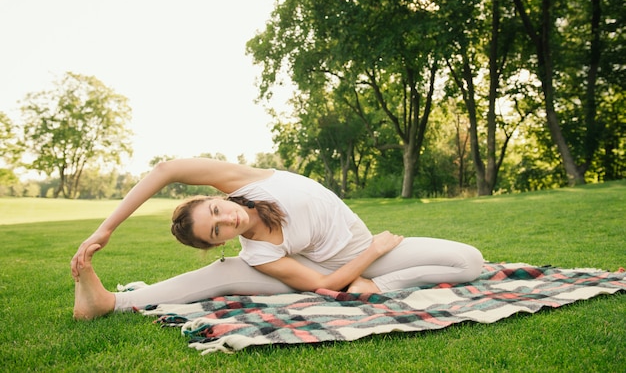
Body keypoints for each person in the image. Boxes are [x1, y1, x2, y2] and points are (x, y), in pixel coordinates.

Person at [72, 158, 483, 320]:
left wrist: (105, 229)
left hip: (366, 256)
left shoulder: (246, 182)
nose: (226, 219)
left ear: (216, 197)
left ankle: (372, 285)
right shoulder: (259, 254)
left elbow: (165, 170)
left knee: (469, 262)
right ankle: (110, 302)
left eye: (216, 210)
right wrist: (375, 251)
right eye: (216, 231)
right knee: (229, 274)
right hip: (338, 265)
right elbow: (323, 286)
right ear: (217, 240)